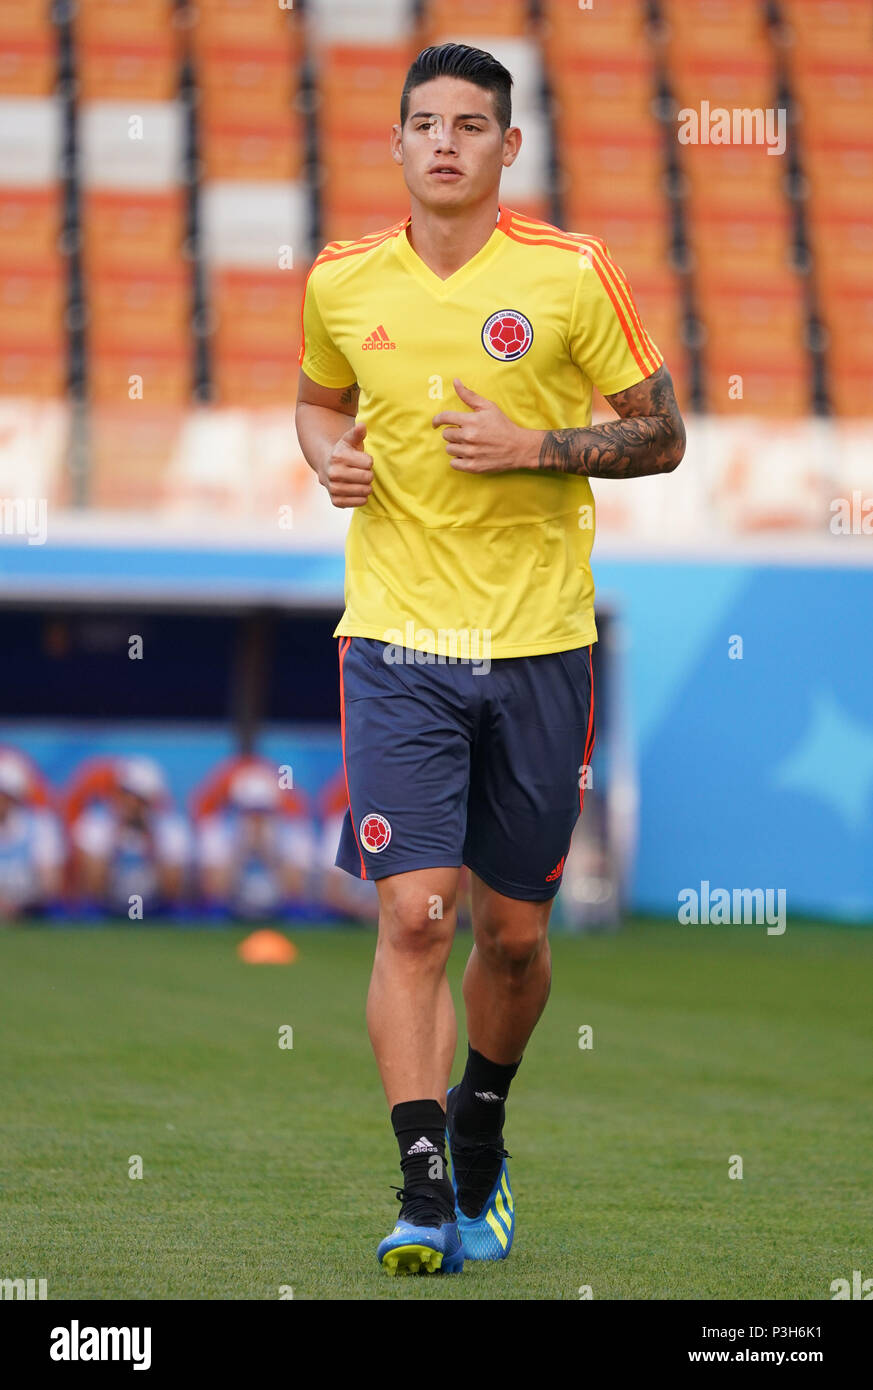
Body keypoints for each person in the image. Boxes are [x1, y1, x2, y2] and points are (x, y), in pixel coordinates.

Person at [295, 42, 685, 1276]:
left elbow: (664, 433)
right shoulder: (342, 281)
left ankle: (481, 1133)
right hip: (399, 643)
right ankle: (422, 1193)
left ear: (509, 148)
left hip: (537, 649)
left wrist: (538, 449)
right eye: (425, 123)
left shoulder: (570, 277)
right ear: (398, 143)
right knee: (417, 915)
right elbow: (315, 398)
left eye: (473, 124)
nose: (446, 141)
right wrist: (322, 455)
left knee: (511, 940)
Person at [197, 761, 317, 919]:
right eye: (249, 812)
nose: (256, 820)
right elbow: (214, 892)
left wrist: (269, 853)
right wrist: (241, 851)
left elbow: (296, 893)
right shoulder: (217, 831)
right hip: (232, 912)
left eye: (263, 812)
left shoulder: (294, 832)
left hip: (281, 914)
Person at [70, 757, 189, 916]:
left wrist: (152, 843)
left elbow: (172, 893)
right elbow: (93, 890)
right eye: (124, 793)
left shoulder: (171, 829)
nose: (129, 802)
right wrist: (114, 839)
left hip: (156, 915)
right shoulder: (95, 825)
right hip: (107, 914)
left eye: (137, 798)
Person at [0, 750, 64, 920]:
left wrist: (15, 908)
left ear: (12, 796)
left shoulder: (41, 826)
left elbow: (50, 887)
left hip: (30, 915)